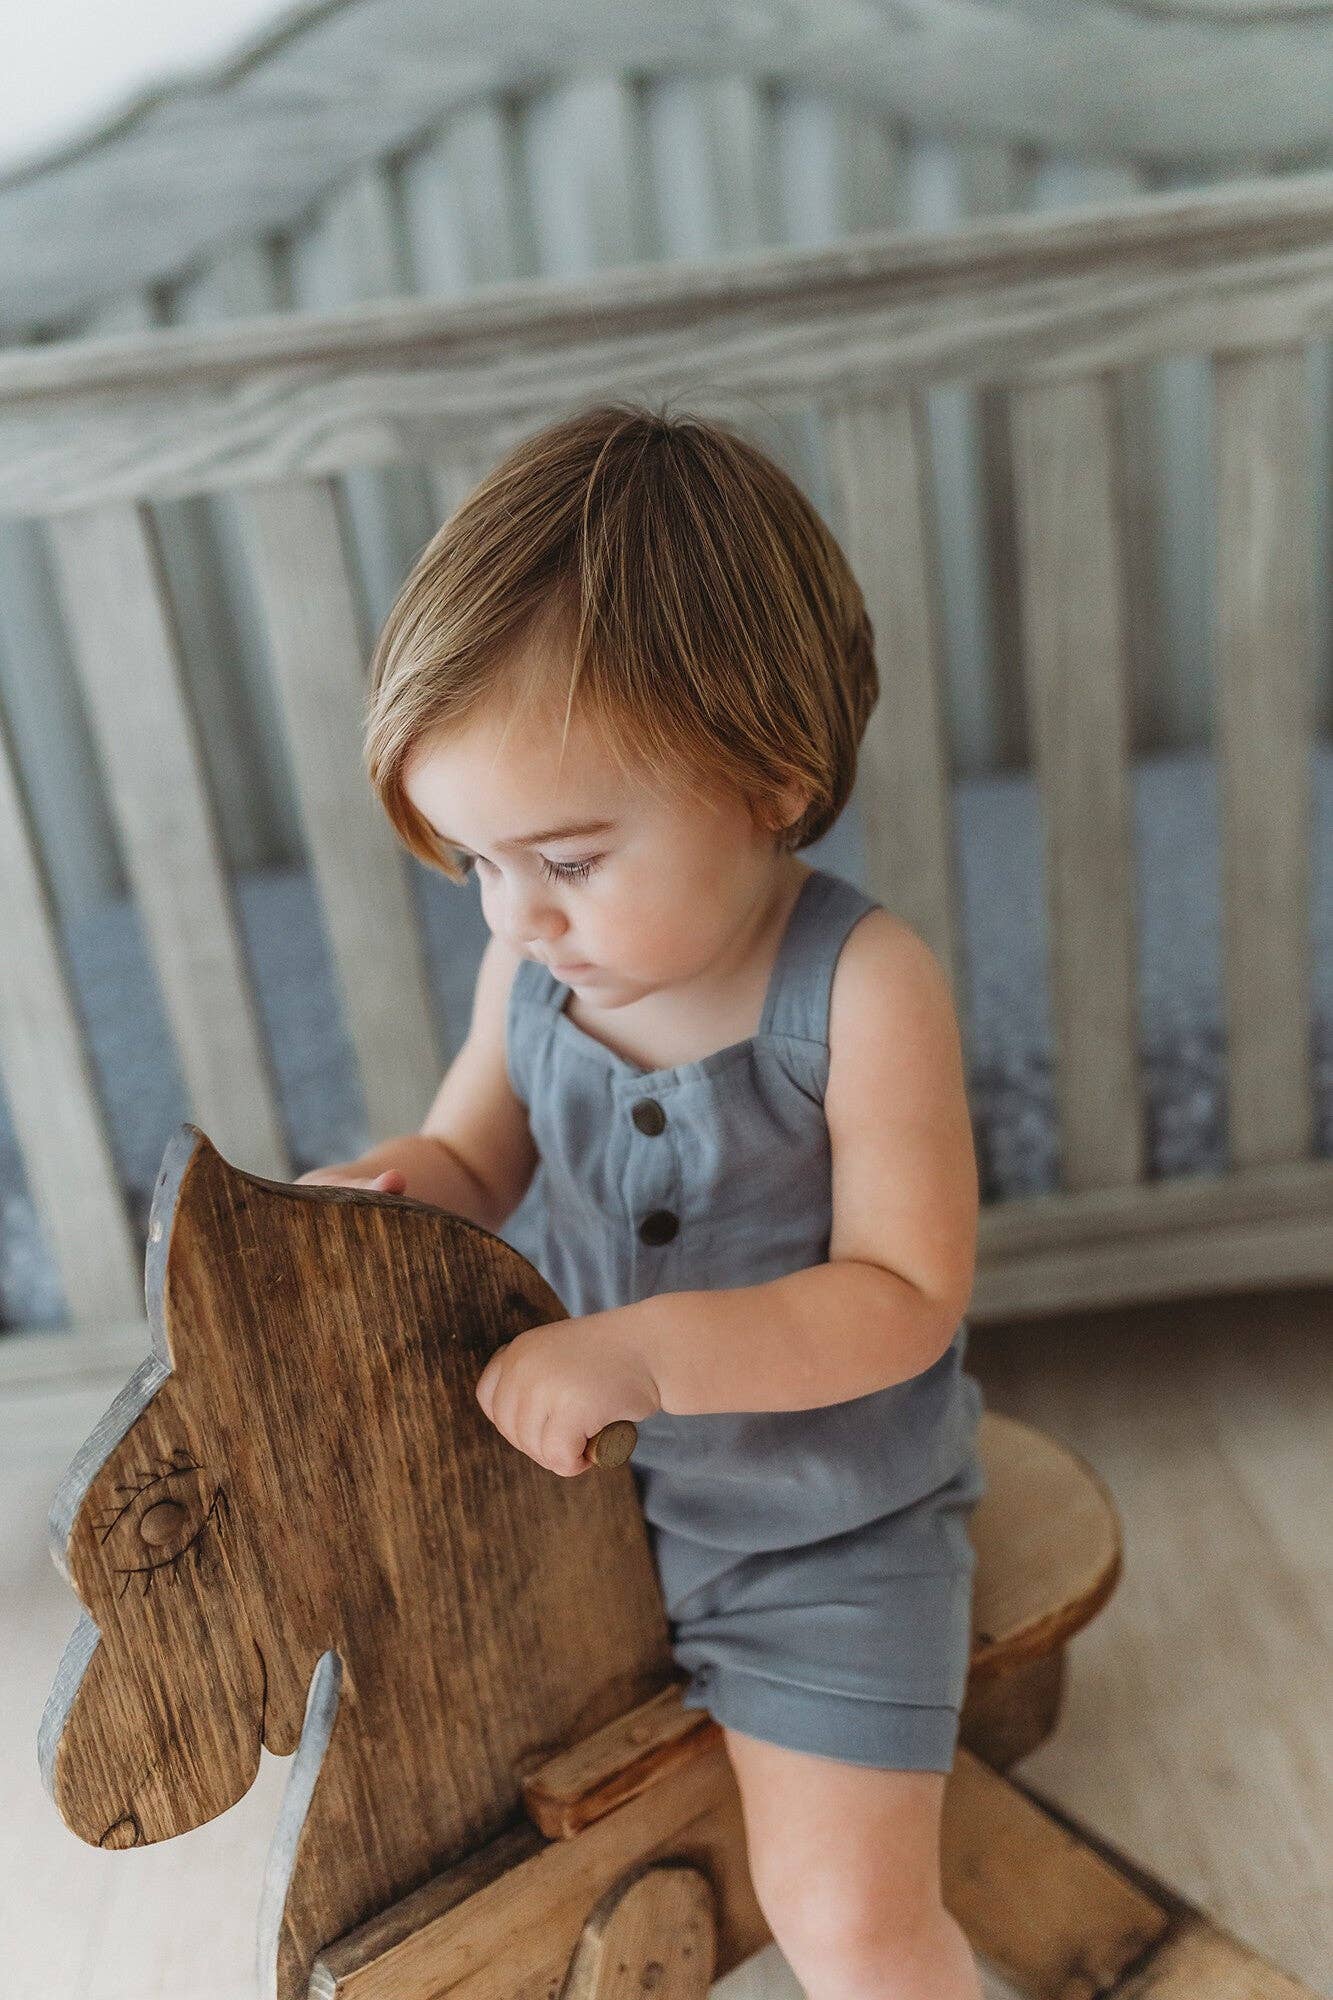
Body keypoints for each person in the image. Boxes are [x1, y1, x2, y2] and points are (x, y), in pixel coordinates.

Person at [300, 401, 987, 2000]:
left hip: (813, 1531)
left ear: (765, 784)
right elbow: (472, 1161)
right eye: (475, 864)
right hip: (564, 1500)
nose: (516, 916)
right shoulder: (533, 971)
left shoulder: (862, 988)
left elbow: (904, 1296)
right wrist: (379, 1198)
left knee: (845, 1915)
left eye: (565, 859)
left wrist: (647, 1357)